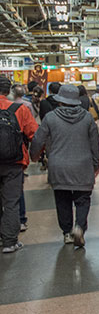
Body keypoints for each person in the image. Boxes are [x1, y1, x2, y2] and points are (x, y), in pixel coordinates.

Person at [30, 85, 99, 248]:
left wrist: (34, 157)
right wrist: (95, 164)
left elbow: (38, 140)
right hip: (82, 166)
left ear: (60, 101)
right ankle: (79, 227)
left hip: (58, 166)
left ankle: (67, 233)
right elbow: (94, 145)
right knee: (83, 200)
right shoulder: (87, 118)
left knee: (62, 200)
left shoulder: (50, 118)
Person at [0, 75, 37, 254]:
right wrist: (37, 154)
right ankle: (9, 242)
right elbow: (33, 134)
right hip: (14, 162)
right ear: (8, 91)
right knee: (11, 201)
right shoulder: (19, 109)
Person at [10, 84, 31, 232]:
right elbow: (32, 132)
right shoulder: (21, 108)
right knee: (15, 192)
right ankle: (20, 221)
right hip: (15, 157)